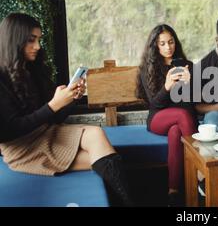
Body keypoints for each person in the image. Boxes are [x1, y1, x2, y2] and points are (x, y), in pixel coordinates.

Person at [0, 13, 133, 206]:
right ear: (14, 40)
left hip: (46, 133)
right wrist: (54, 104)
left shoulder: (32, 69)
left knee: (97, 137)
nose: (37, 46)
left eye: (39, 40)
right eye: (31, 40)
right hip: (22, 150)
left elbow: (53, 118)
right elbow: (9, 131)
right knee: (107, 162)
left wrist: (70, 100)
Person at [136, 24, 196, 207]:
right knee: (181, 116)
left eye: (170, 42)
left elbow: (190, 105)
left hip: (180, 120)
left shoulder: (187, 67)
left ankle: (173, 192)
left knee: (176, 131)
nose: (168, 47)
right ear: (155, 46)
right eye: (162, 43)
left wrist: (189, 85)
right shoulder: (149, 69)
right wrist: (167, 86)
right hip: (157, 119)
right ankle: (200, 169)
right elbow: (154, 104)